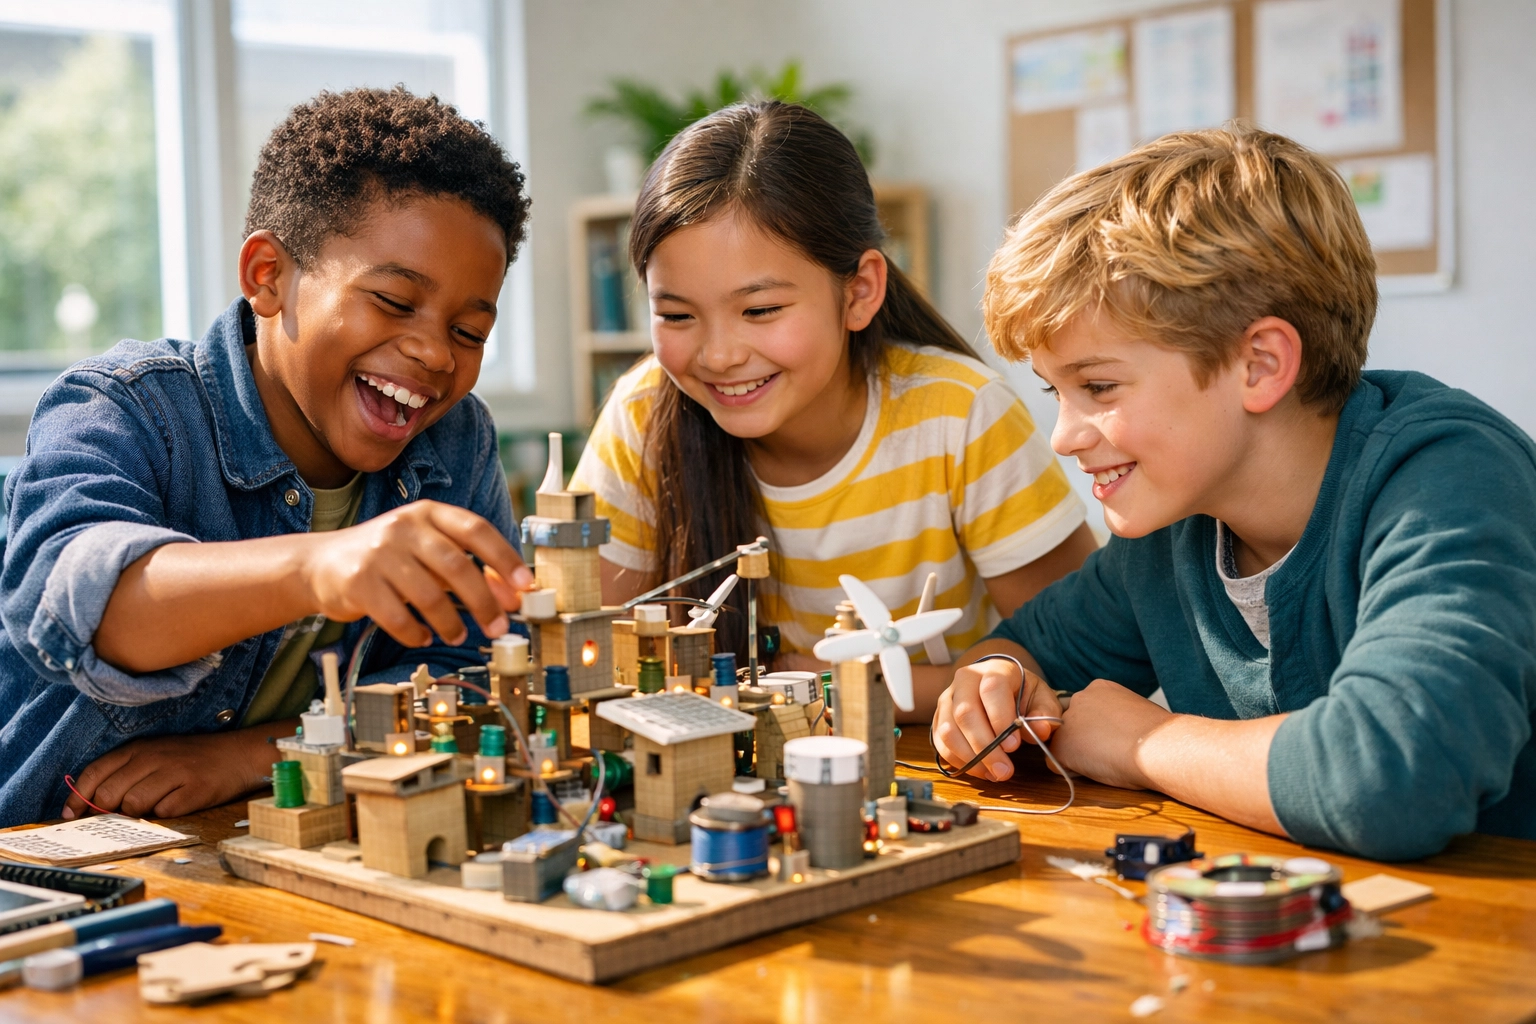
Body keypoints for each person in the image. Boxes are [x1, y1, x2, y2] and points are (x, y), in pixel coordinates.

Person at [934, 123, 1536, 861]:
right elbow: (1027, 648)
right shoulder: (1174, 522)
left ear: (1260, 365)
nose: (1063, 437)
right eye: (1055, 392)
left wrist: (1143, 742)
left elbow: (1393, 778)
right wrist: (993, 680)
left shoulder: (1451, 476)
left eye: (1099, 387)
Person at [0, 87, 535, 827]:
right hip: (42, 849)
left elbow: (473, 673)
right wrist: (320, 566)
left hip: (259, 832)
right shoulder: (122, 407)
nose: (435, 353)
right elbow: (92, 610)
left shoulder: (455, 442)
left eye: (469, 332)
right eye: (392, 301)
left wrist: (253, 755)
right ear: (268, 276)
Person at [570, 101, 1098, 718]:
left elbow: (1079, 661)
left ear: (859, 291)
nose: (718, 355)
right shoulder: (643, 414)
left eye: (760, 310)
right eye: (676, 315)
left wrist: (829, 683)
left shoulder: (960, 416)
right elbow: (588, 651)